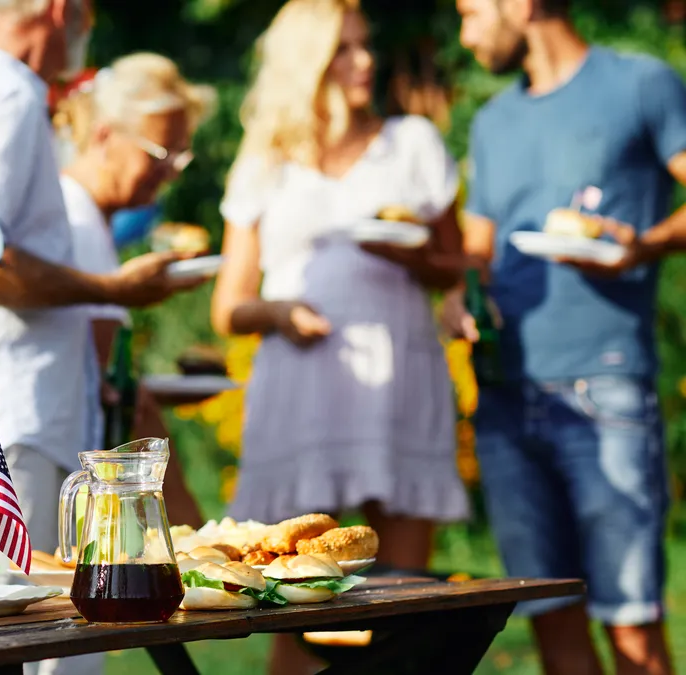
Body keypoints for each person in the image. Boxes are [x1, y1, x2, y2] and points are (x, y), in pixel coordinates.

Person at [0, 1, 203, 673]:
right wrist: (114, 289)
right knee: (37, 654)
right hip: (6, 434)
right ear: (61, 11)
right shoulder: (3, 95)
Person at [209, 0, 470, 671]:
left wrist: (413, 260)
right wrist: (280, 313)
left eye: (365, 46)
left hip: (400, 376)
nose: (366, 61)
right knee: (294, 604)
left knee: (404, 606)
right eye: (345, 50)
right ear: (309, 63)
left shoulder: (411, 142)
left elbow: (454, 263)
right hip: (302, 388)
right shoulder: (267, 160)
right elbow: (230, 305)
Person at [447, 1, 686, 673]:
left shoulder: (641, 84)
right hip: (502, 400)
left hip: (604, 386)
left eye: (471, 13)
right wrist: (455, 301)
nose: (466, 35)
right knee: (550, 619)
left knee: (633, 627)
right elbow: (478, 255)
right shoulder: (494, 122)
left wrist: (644, 246)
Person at [54, 53, 215, 527]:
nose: (171, 173)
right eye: (160, 154)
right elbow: (121, 390)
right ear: (105, 135)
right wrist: (188, 528)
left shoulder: (90, 221)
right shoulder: (76, 221)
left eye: (181, 158)